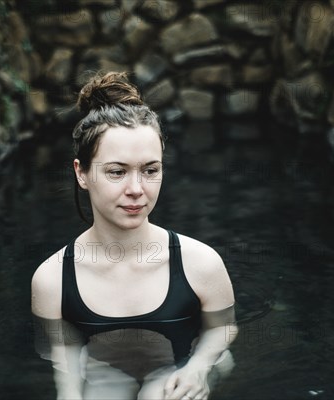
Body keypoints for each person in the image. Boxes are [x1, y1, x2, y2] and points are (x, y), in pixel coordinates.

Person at [31, 72, 237, 400]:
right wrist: (68, 395)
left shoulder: (200, 263)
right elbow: (64, 356)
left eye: (150, 170)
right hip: (104, 370)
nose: (136, 190)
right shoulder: (52, 280)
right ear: (81, 173)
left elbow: (222, 329)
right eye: (117, 172)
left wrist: (198, 369)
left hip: (181, 366)